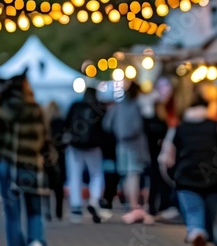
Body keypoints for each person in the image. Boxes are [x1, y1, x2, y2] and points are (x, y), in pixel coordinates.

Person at [159, 94, 217, 246]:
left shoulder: (178, 128)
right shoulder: (216, 126)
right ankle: (207, 243)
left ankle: (196, 234)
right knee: (211, 217)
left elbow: (165, 158)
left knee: (194, 215)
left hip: (186, 178)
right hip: (214, 180)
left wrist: (171, 179)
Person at [0, 75, 53, 246]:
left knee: (13, 216)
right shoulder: (37, 109)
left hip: (10, 166)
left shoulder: (7, 108)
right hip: (33, 165)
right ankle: (35, 242)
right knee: (35, 211)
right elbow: (46, 139)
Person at [105, 82, 152, 225]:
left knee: (126, 175)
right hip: (135, 145)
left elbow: (107, 124)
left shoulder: (117, 106)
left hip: (121, 144)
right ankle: (134, 206)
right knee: (133, 174)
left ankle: (129, 206)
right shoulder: (136, 106)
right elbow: (138, 126)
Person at [65, 86, 108, 224]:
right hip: (93, 146)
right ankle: (94, 201)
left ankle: (76, 206)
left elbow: (66, 124)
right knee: (96, 174)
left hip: (75, 145)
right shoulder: (99, 107)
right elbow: (104, 128)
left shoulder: (75, 105)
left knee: (74, 176)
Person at [45, 102, 68, 221]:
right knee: (59, 188)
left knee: (46, 187)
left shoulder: (45, 124)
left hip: (47, 158)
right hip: (60, 157)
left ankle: (47, 211)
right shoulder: (61, 123)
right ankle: (58, 212)